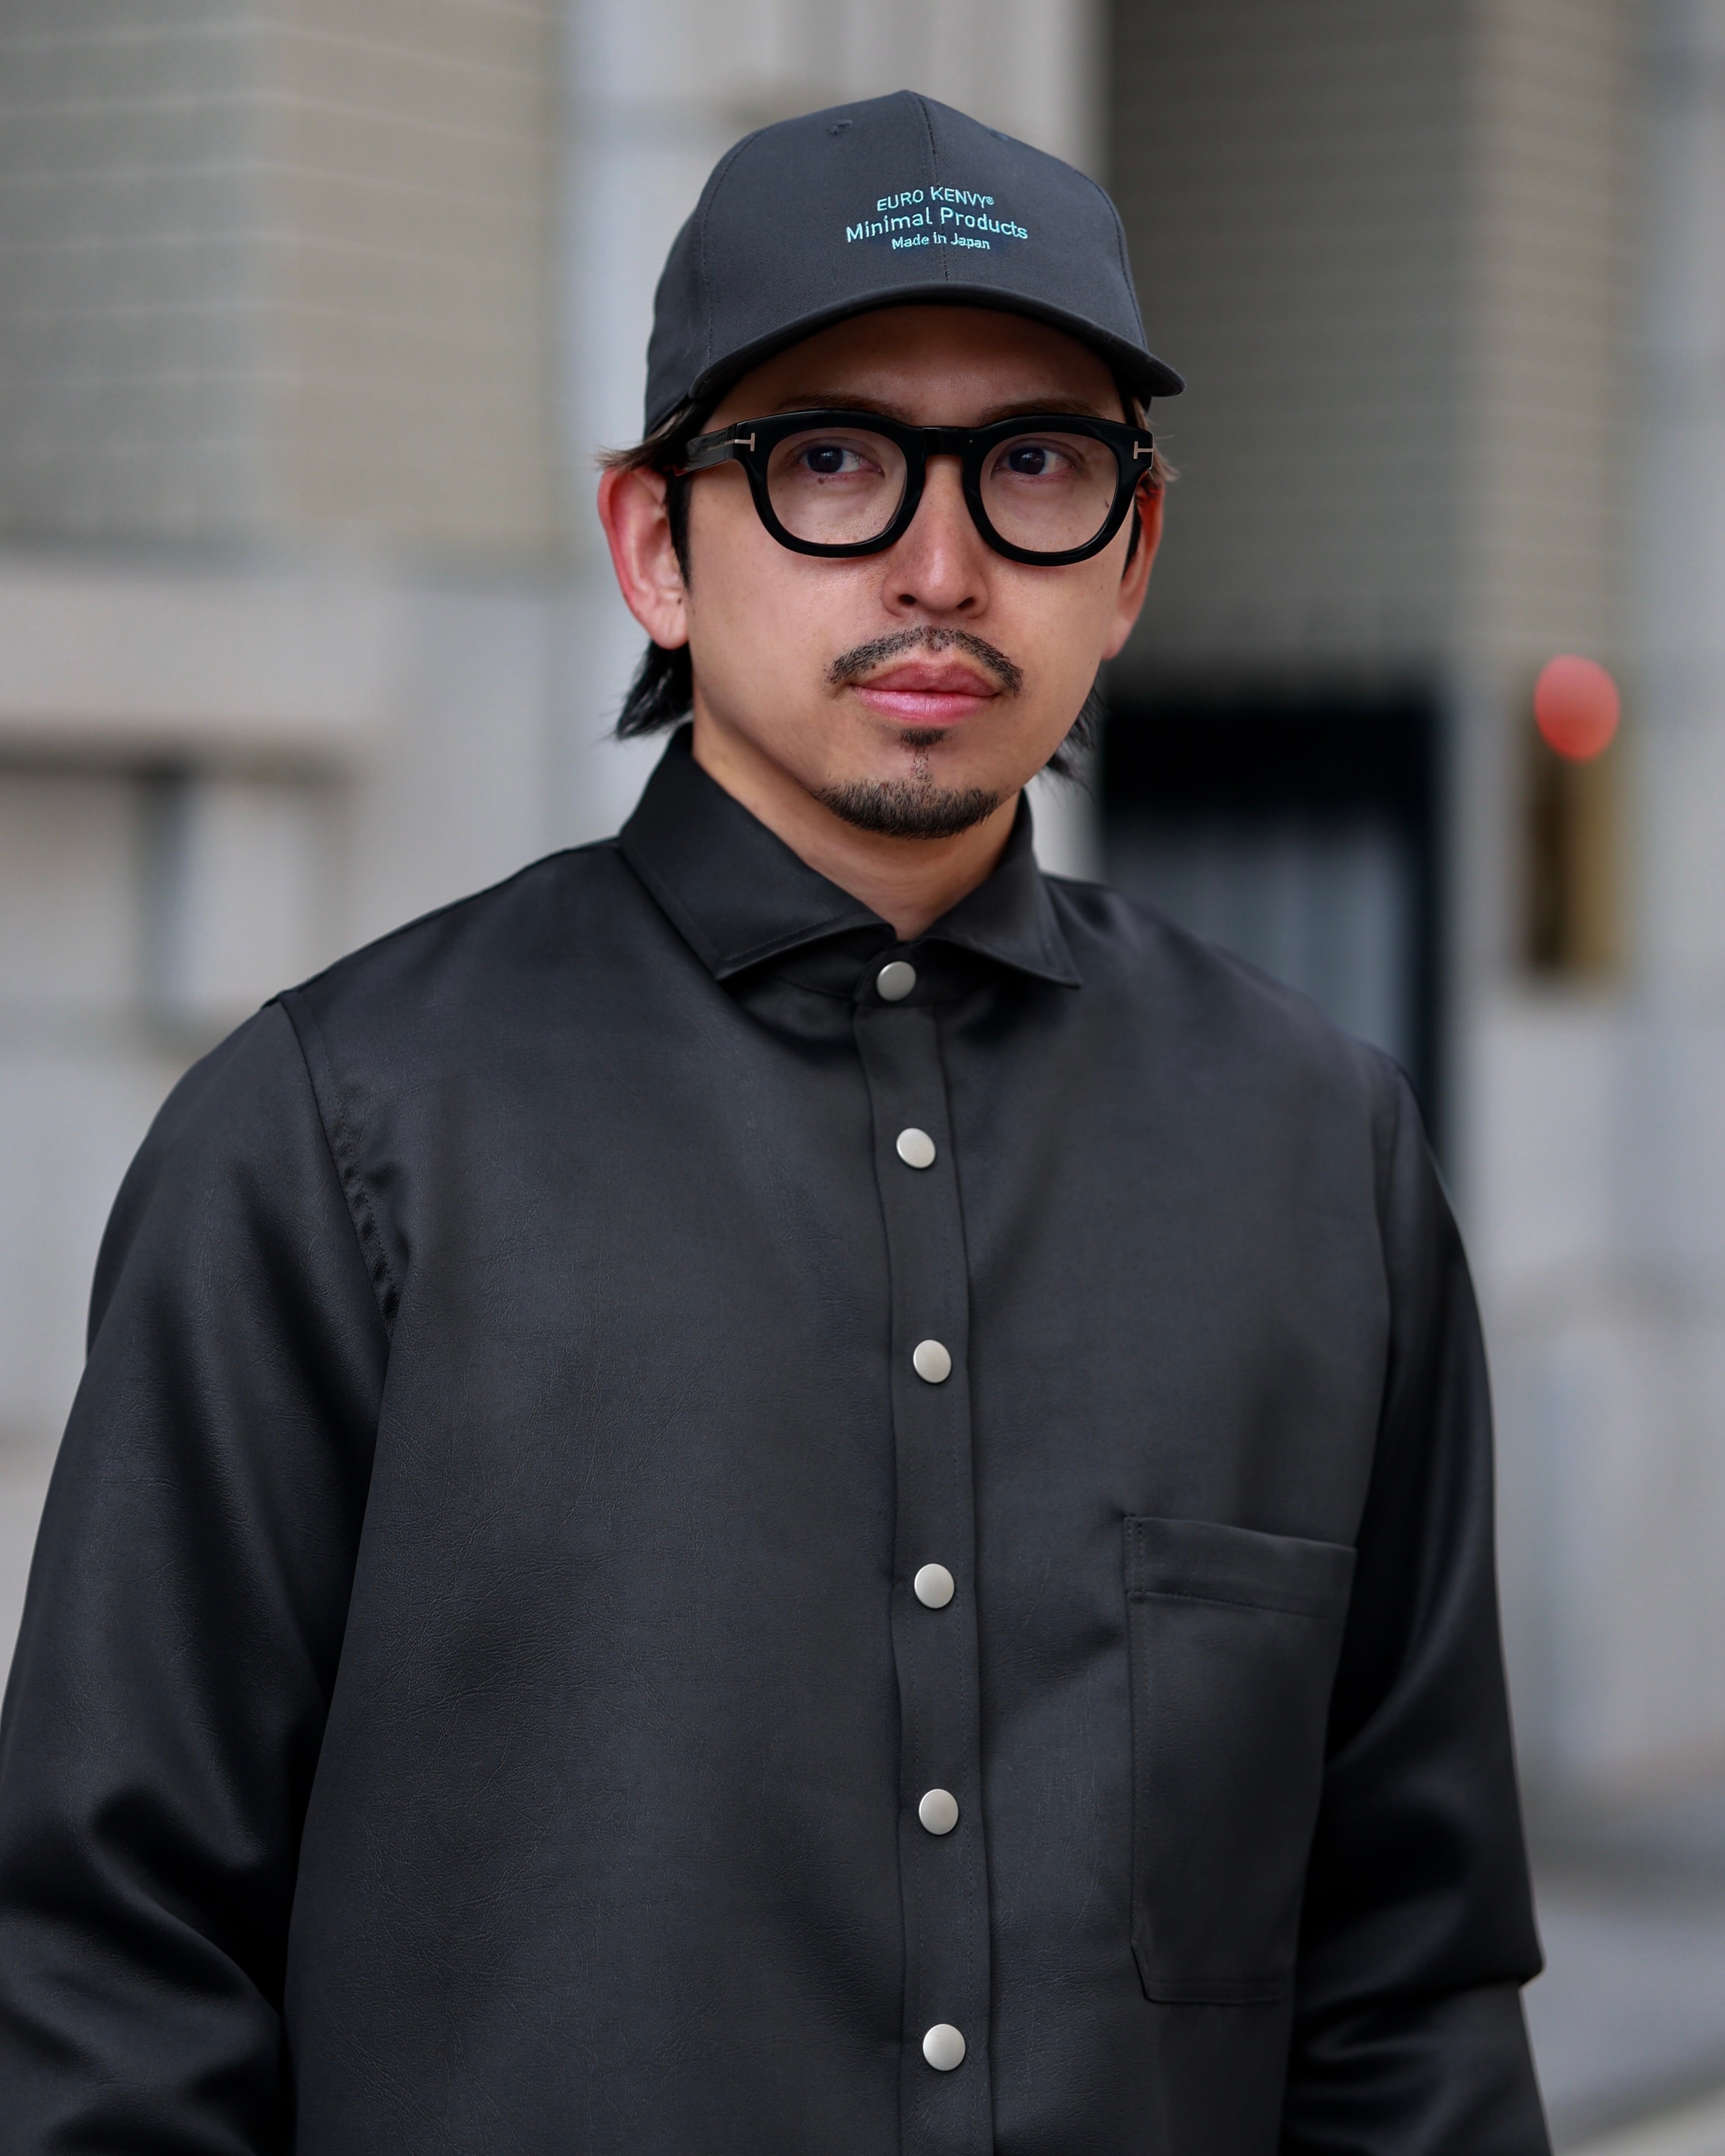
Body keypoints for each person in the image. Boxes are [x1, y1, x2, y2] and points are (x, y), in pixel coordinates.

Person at [0, 90, 1548, 2156]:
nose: (941, 562)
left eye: (1037, 465)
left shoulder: (1314, 1150)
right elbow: (105, 1979)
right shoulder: (327, 1137)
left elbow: (1413, 1999)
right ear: (656, 542)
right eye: (828, 460)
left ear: (1133, 555)